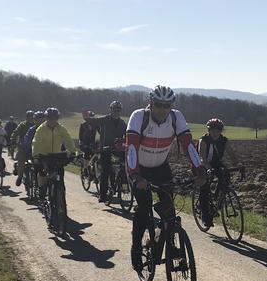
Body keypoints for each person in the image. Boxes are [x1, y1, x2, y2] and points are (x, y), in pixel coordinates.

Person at [125, 86, 206, 270]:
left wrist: (199, 170)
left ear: (171, 106)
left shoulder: (176, 118)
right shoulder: (139, 117)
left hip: (161, 167)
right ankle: (136, 248)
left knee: (169, 211)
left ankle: (169, 244)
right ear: (150, 103)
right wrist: (135, 176)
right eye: (158, 105)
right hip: (138, 168)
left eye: (166, 105)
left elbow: (188, 145)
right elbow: (131, 148)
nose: (162, 109)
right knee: (144, 208)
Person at [197, 118, 243, 228]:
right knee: (205, 186)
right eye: (213, 130)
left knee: (226, 176)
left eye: (218, 131)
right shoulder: (203, 140)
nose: (215, 133)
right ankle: (205, 215)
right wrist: (208, 169)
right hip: (203, 164)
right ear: (209, 130)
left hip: (216, 163)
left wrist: (238, 165)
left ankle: (216, 198)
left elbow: (231, 154)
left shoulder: (224, 141)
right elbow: (202, 158)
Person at [92, 100, 127, 202]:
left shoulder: (122, 123)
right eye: (114, 109)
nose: (116, 111)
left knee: (124, 166)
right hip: (105, 149)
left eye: (118, 110)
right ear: (110, 110)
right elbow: (94, 122)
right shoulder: (104, 119)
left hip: (117, 149)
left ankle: (120, 184)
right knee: (106, 171)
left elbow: (127, 136)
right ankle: (103, 195)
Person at [32, 107, 76, 190]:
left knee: (60, 179)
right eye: (49, 118)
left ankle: (61, 195)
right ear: (46, 118)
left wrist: (73, 152)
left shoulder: (61, 129)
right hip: (44, 156)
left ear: (57, 118)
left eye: (55, 118)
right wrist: (35, 155)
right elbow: (36, 142)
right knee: (42, 174)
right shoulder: (41, 129)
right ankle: (41, 190)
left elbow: (68, 140)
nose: (52, 120)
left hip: (56, 156)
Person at [15, 110, 46, 186]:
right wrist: (16, 141)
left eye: (42, 120)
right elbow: (25, 138)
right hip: (28, 149)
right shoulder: (25, 126)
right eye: (38, 120)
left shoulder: (47, 129)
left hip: (43, 152)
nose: (40, 122)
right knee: (21, 159)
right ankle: (20, 176)